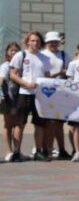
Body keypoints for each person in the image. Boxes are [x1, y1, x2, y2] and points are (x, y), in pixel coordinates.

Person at [8, 31, 53, 161]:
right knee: (19, 124)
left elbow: (48, 76)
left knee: (39, 124)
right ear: (27, 42)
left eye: (38, 41)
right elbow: (13, 75)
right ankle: (16, 152)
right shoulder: (20, 55)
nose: (35, 43)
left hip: (40, 95)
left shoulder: (45, 58)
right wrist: (26, 83)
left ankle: (38, 151)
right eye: (32, 40)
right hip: (24, 94)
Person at [40, 31, 70, 160]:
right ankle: (47, 148)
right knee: (48, 122)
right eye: (51, 42)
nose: (54, 44)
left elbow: (70, 71)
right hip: (45, 91)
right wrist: (58, 72)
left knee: (59, 123)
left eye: (56, 42)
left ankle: (62, 149)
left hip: (61, 91)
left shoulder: (64, 55)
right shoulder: (42, 55)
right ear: (46, 42)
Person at [1, 42, 21, 161]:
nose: (14, 52)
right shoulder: (5, 66)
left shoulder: (22, 65)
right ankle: (9, 151)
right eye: (11, 50)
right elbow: (1, 81)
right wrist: (5, 98)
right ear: (7, 53)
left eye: (16, 50)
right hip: (7, 99)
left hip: (20, 99)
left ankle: (17, 151)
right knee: (8, 125)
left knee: (18, 125)